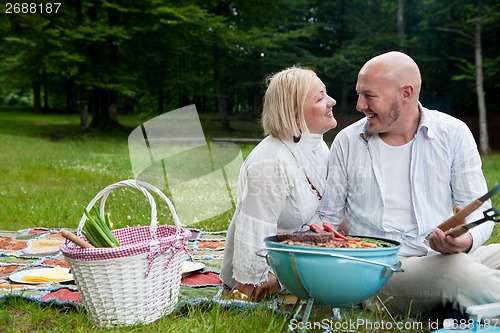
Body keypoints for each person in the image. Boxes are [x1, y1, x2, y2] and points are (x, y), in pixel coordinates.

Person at [311, 51, 500, 318]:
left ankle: (460, 308)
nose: (359, 105)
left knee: (461, 267)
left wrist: (466, 240)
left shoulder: (453, 133)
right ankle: (467, 302)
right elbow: (326, 220)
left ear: (406, 93)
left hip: (440, 259)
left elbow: (479, 208)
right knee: (456, 273)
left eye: (369, 96)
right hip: (379, 271)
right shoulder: (347, 142)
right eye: (358, 94)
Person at [220, 66, 338, 301]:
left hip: (301, 253)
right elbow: (255, 240)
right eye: (320, 97)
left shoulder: (318, 147)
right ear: (294, 113)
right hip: (265, 267)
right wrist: (252, 284)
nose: (332, 101)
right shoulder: (270, 161)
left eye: (327, 93)